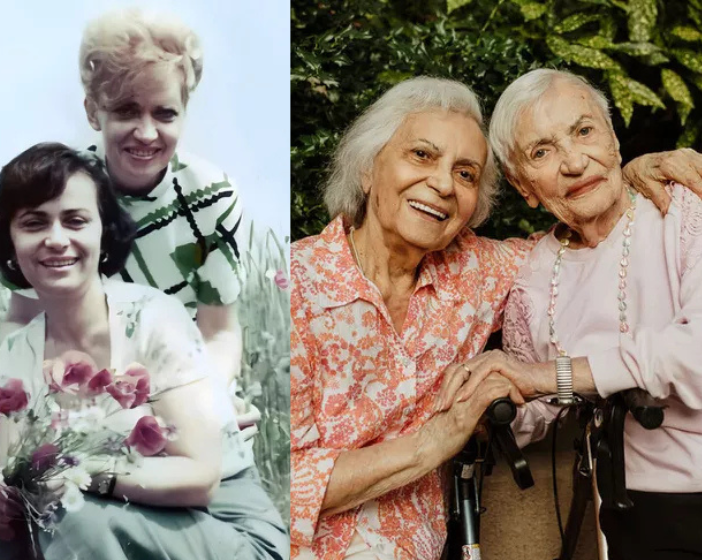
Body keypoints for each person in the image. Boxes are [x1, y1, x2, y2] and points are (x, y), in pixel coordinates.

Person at [290, 75, 702, 560]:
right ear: (367, 169)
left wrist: (633, 169)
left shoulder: (479, 273)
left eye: (465, 173)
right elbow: (257, 482)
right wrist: (440, 436)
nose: (443, 183)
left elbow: (594, 241)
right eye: (421, 155)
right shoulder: (287, 286)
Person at [0, 143, 288, 560]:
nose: (56, 240)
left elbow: (202, 477)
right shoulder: (14, 356)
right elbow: (16, 474)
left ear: (103, 231)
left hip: (223, 530)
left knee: (73, 516)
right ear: (10, 238)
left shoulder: (153, 319)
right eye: (34, 223)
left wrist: (83, 471)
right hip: (105, 524)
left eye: (75, 220)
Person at [438, 68, 702, 559]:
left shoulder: (685, 207)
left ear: (615, 141)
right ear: (525, 188)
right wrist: (485, 403)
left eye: (584, 131)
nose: (575, 162)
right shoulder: (536, 273)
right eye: (542, 152)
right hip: (630, 510)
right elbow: (538, 405)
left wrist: (548, 375)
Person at [0, 8, 255, 433]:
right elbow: (23, 316)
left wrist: (204, 399)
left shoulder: (213, 198)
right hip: (78, 396)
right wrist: (11, 390)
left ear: (184, 111)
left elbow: (218, 333)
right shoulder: (57, 190)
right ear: (93, 112)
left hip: (181, 383)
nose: (146, 133)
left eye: (165, 113)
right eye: (125, 111)